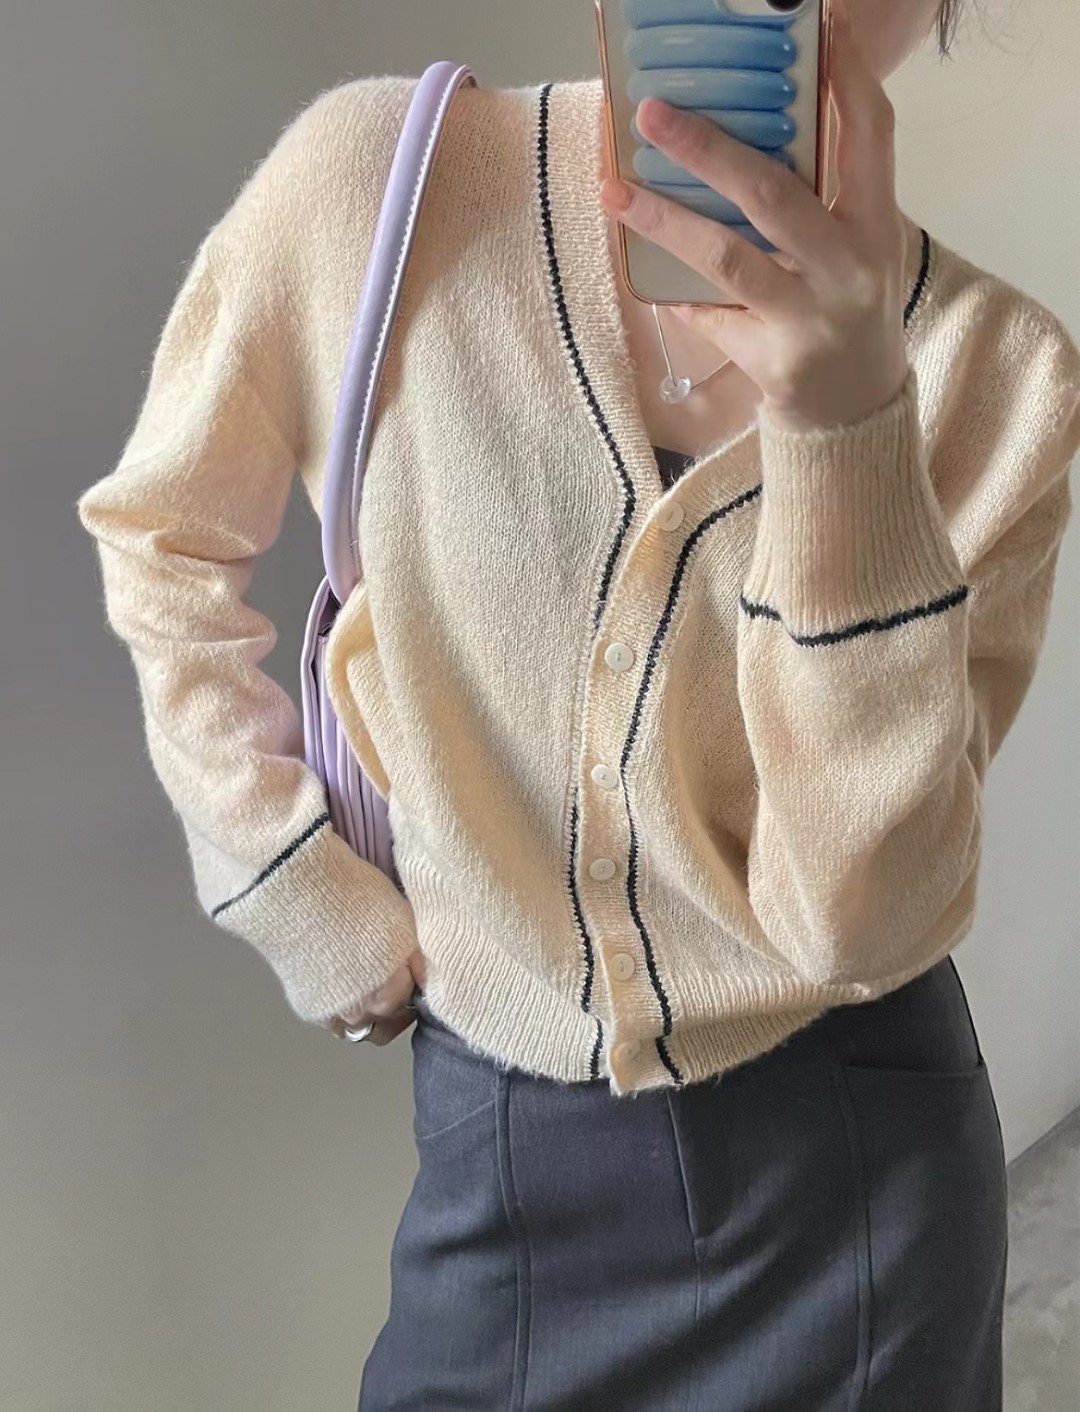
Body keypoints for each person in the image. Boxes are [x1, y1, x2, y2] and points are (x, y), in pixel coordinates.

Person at [75, 0, 1078, 1404]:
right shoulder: (381, 186)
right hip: (502, 1141)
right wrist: (297, 893)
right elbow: (162, 538)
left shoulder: (1002, 379)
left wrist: (847, 424)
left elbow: (861, 925)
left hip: (854, 1166)